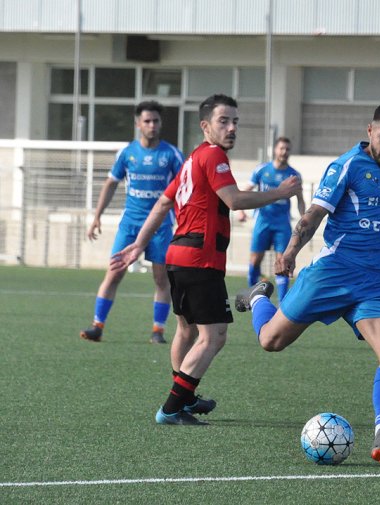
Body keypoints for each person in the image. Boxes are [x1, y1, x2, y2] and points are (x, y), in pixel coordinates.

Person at [234, 101, 380, 462]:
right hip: (332, 273)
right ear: (370, 131)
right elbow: (313, 215)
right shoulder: (347, 166)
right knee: (270, 341)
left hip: (374, 282)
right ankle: (259, 297)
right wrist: (291, 251)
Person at [110, 94, 302, 425]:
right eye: (223, 121)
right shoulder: (212, 156)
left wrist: (138, 244)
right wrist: (280, 192)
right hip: (200, 259)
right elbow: (235, 199)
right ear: (205, 126)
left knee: (186, 331)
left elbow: (162, 205)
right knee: (213, 336)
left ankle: (183, 401)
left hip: (177, 255)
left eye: (235, 122)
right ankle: (172, 408)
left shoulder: (191, 159)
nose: (231, 128)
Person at [80, 101, 184, 344]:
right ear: (138, 124)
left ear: (161, 123)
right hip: (130, 224)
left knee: (161, 279)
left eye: (155, 121)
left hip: (161, 227)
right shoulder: (127, 153)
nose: (151, 125)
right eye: (147, 121)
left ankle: (157, 331)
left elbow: (184, 189)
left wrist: (183, 221)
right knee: (114, 273)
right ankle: (97, 325)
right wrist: (97, 216)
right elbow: (111, 183)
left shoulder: (171, 154)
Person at [237, 136, 306, 299]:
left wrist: (305, 218)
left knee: (282, 262)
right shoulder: (262, 170)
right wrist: (239, 210)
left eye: (287, 149)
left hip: (282, 224)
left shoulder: (293, 175)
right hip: (263, 221)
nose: (284, 152)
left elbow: (300, 200)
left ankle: (282, 302)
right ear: (275, 150)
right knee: (255, 260)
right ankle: (251, 296)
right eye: (281, 148)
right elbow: (246, 189)